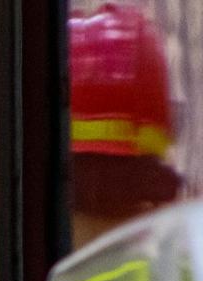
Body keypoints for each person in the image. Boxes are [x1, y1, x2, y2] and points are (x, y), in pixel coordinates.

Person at [68, 3, 183, 250]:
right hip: (127, 206)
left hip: (70, 198)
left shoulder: (62, 37)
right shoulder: (138, 32)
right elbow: (155, 135)